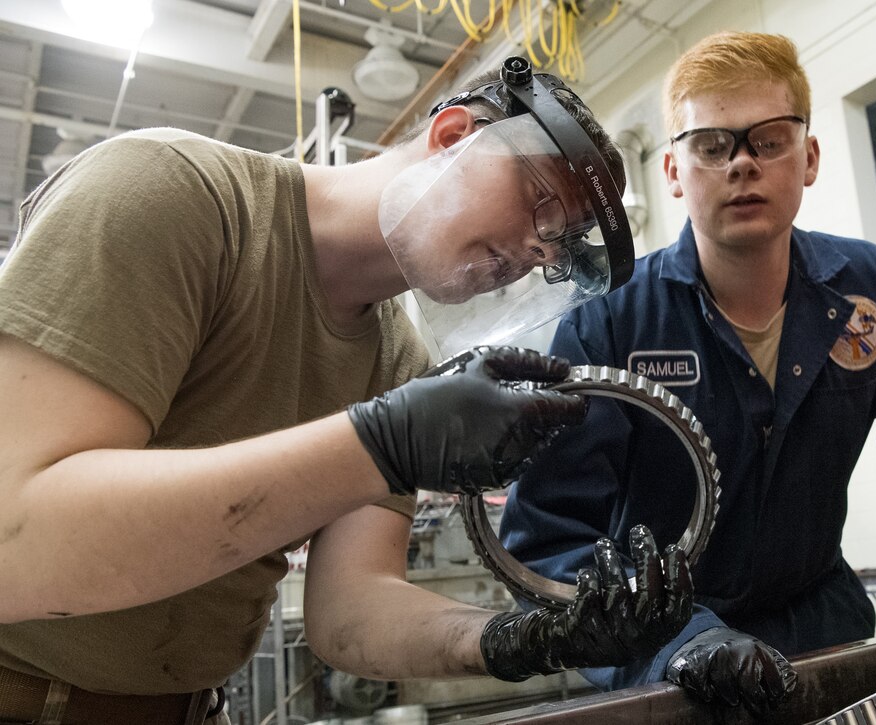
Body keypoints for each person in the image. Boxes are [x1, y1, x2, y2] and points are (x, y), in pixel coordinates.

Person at [0, 57, 695, 725]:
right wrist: (377, 443)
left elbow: (350, 611)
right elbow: (15, 543)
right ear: (454, 134)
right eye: (539, 203)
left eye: (556, 247)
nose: (536, 249)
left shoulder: (400, 359)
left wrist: (527, 636)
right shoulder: (174, 194)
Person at [500, 31, 876, 718]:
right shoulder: (610, 321)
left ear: (809, 158)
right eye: (711, 144)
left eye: (768, 139)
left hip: (823, 636)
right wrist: (680, 641)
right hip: (667, 666)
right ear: (674, 171)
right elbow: (550, 538)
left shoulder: (872, 291)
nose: (741, 163)